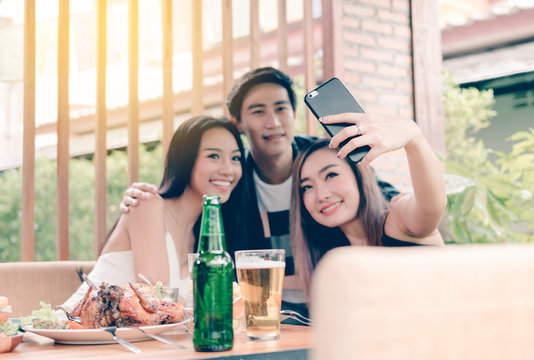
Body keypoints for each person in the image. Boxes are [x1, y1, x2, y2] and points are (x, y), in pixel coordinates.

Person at [119, 67, 399, 318]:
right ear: (238, 122)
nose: (273, 122)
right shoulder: (230, 184)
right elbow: (180, 196)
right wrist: (142, 201)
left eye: (281, 109)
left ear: (293, 113)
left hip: (336, 306)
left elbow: (380, 197)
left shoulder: (325, 158)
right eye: (258, 111)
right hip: (261, 315)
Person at [61, 116, 246, 311]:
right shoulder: (147, 204)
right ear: (185, 159)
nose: (228, 169)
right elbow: (157, 301)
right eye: (213, 156)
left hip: (135, 339)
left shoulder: (206, 236)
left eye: (235, 158)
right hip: (75, 333)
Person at [290, 113, 446, 298]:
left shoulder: (395, 220)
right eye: (307, 187)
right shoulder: (334, 257)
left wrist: (414, 140)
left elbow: (431, 207)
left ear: (358, 176)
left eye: (331, 175)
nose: (321, 195)